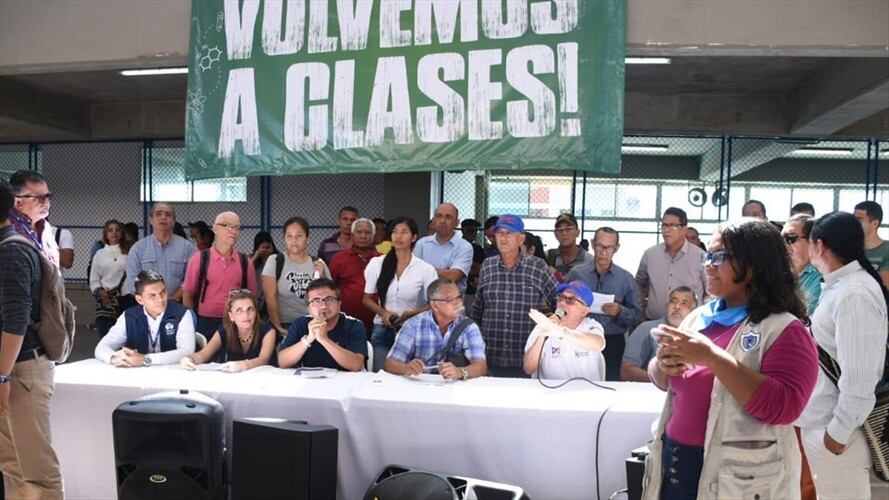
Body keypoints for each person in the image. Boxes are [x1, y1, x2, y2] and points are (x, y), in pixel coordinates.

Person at [642, 219, 818, 500]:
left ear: (755, 263)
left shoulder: (784, 329)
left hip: (737, 482)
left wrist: (712, 358)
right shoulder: (700, 317)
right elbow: (666, 380)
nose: (708, 264)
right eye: (708, 255)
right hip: (674, 467)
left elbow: (785, 407)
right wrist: (661, 366)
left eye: (720, 256)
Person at [796, 211, 889, 500]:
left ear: (819, 246)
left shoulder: (855, 294)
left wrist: (837, 433)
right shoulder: (841, 287)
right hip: (825, 424)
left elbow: (861, 377)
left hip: (839, 432)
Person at [0, 177, 63, 498]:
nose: (45, 202)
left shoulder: (12, 251)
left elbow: (16, 319)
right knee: (12, 465)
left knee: (36, 470)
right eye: (38, 197)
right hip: (12, 368)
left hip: (21, 368)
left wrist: (2, 375)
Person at [471, 214, 557, 378]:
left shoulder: (537, 267)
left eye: (509, 233)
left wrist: (549, 330)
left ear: (521, 239)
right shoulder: (487, 266)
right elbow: (477, 309)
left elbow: (558, 301)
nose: (503, 238)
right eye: (499, 233)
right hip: (490, 357)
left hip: (525, 358)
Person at [363, 217, 437, 371]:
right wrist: (383, 313)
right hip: (382, 329)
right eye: (395, 232)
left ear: (414, 237)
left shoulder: (425, 269)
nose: (398, 236)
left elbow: (434, 303)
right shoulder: (377, 263)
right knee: (380, 374)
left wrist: (411, 314)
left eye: (404, 232)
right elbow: (366, 299)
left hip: (411, 330)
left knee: (409, 375)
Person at [566, 227, 640, 381]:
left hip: (612, 342)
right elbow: (561, 302)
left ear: (616, 248)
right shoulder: (577, 273)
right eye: (600, 246)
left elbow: (636, 315)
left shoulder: (625, 278)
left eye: (609, 248)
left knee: (611, 385)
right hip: (580, 339)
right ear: (593, 244)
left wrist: (620, 311)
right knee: (577, 383)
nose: (603, 252)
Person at [384, 278, 487, 380]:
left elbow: (481, 366)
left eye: (459, 297)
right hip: (420, 387)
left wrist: (460, 372)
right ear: (435, 305)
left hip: (455, 389)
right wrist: (406, 368)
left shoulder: (468, 327)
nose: (458, 303)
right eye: (451, 299)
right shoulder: (414, 325)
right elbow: (390, 363)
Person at [95, 270, 196, 367]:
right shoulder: (129, 316)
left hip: (174, 374)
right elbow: (101, 347)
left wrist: (146, 360)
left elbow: (186, 351)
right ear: (140, 299)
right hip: (136, 376)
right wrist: (114, 358)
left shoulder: (182, 313)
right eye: (152, 295)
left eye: (163, 292)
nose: (160, 299)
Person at [182, 211, 257, 337]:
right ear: (215, 228)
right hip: (204, 322)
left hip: (236, 322)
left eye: (237, 228)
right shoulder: (199, 259)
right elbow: (188, 294)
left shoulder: (245, 262)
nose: (233, 231)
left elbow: (252, 296)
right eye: (228, 226)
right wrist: (190, 323)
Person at [523, 280, 606, 380]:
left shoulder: (591, 325)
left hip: (586, 392)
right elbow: (528, 368)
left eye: (570, 300)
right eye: (561, 298)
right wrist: (543, 333)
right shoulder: (544, 325)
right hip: (551, 393)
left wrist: (560, 331)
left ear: (584, 310)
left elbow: (598, 344)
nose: (562, 303)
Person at [277, 279, 367, 371]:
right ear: (308, 308)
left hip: (347, 382)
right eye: (316, 301)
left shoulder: (353, 325)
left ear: (339, 303)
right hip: (310, 381)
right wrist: (309, 339)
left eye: (329, 299)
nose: (324, 305)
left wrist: (324, 339)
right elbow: (282, 362)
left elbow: (356, 365)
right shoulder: (300, 324)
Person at [636, 207, 707, 320]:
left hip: (690, 325)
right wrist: (640, 307)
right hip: (654, 322)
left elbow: (711, 291)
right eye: (664, 225)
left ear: (684, 229)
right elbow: (639, 283)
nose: (666, 230)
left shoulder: (700, 256)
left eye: (672, 225)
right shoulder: (650, 255)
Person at [263, 217, 330, 337]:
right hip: (285, 325)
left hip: (313, 324)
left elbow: (330, 297)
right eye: (289, 236)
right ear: (284, 239)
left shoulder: (319, 263)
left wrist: (322, 277)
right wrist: (278, 327)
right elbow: (270, 297)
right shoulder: (275, 261)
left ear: (308, 239)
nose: (294, 240)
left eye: (299, 236)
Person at [180, 290, 276, 372]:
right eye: (239, 310)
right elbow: (204, 354)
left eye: (250, 309)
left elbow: (264, 359)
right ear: (231, 316)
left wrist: (244, 365)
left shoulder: (268, 331)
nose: (246, 315)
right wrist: (190, 359)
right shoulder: (225, 329)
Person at [621, 287, 696, 382]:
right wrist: (660, 381)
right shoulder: (646, 329)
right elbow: (626, 370)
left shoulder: (699, 335)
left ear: (693, 310)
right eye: (673, 301)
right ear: (666, 305)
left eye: (684, 303)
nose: (677, 306)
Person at [126, 203, 197, 302]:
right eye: (158, 214)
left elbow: (194, 278)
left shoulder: (187, 248)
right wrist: (153, 300)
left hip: (178, 305)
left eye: (168, 215)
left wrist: (175, 297)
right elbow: (133, 281)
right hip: (147, 306)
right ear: (151, 220)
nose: (163, 217)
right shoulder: (138, 249)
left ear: (173, 221)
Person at [329, 218, 380, 334]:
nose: (363, 236)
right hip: (347, 323)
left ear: (373, 236)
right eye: (359, 232)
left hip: (378, 323)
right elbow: (331, 289)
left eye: (367, 233)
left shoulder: (382, 259)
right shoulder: (339, 259)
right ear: (352, 234)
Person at [414, 203, 474, 293]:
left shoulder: (464, 247)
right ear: (434, 220)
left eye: (448, 217)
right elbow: (413, 273)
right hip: (421, 304)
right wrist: (444, 272)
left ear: (456, 222)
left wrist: (423, 270)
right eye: (439, 216)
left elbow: (452, 277)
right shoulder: (422, 243)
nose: (442, 221)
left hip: (450, 304)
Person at [8, 170, 60, 269]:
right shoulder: (9, 229)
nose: (46, 203)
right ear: (18, 202)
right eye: (40, 198)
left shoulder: (45, 227)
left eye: (48, 196)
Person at [90, 219, 133, 337]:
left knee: (125, 333)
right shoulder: (99, 254)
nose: (114, 233)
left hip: (127, 298)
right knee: (106, 333)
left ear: (122, 233)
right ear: (106, 234)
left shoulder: (129, 252)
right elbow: (94, 278)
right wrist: (99, 291)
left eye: (117, 230)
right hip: (107, 298)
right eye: (110, 230)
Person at [782, 214, 822, 315]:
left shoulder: (821, 278)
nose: (784, 244)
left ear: (812, 241)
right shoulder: (775, 274)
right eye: (781, 238)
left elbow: (806, 316)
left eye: (791, 238)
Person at [854, 200, 889, 288]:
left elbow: (884, 286)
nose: (854, 223)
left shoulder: (887, 250)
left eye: (859, 220)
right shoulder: (850, 249)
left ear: (875, 223)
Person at [547, 213, 591, 277]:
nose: (564, 233)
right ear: (555, 234)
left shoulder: (589, 260)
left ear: (577, 232)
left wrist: (557, 275)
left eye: (568, 229)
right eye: (560, 230)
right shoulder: (548, 257)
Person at [460, 218, 485, 294]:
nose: (474, 234)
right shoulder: (456, 246)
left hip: (473, 283)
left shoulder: (478, 249)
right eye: (471, 230)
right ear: (463, 231)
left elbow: (480, 267)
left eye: (476, 231)